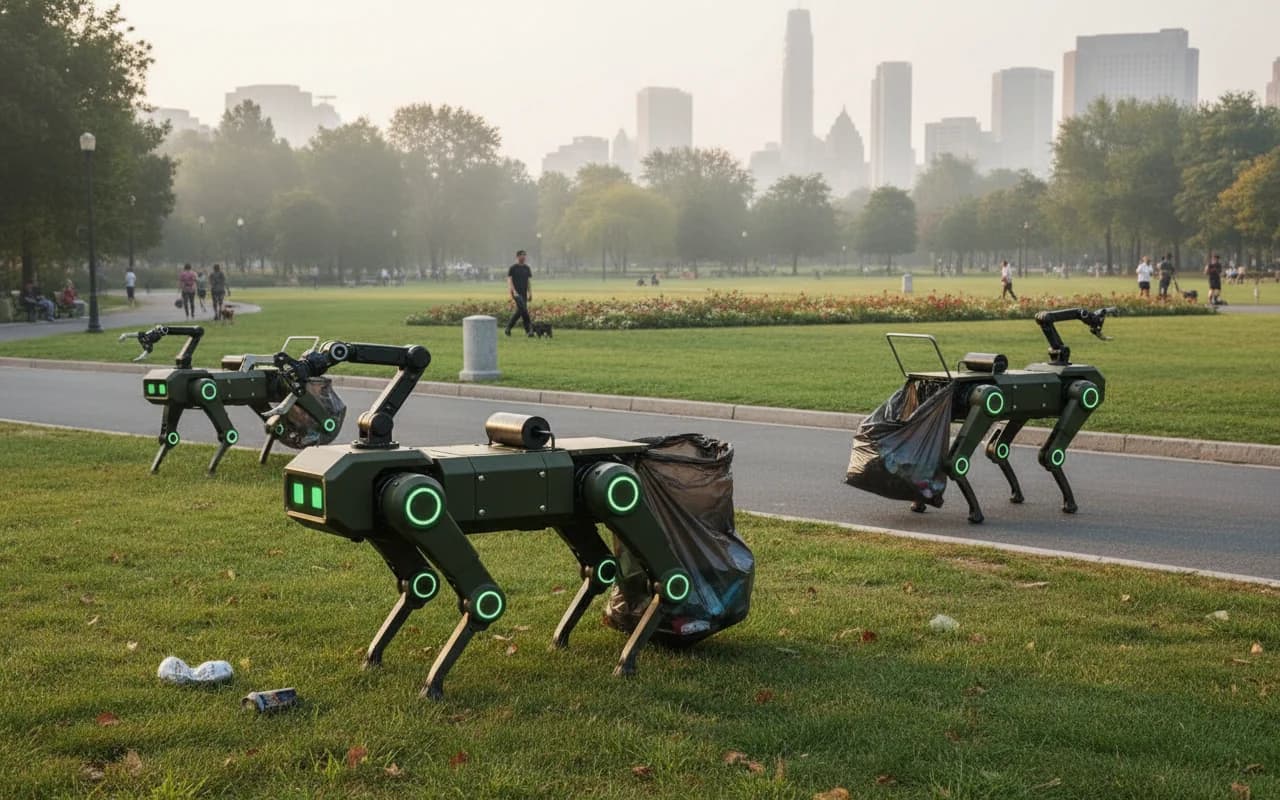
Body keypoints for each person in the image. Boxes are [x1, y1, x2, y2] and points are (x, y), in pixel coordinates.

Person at [504, 249, 533, 337]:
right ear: (517, 257)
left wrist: (530, 293)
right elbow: (510, 280)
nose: (523, 257)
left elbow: (528, 281)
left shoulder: (527, 268)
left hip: (524, 293)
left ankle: (508, 328)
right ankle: (529, 330)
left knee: (521, 311)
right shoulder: (513, 268)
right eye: (522, 255)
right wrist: (514, 291)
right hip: (516, 293)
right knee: (524, 310)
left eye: (524, 255)